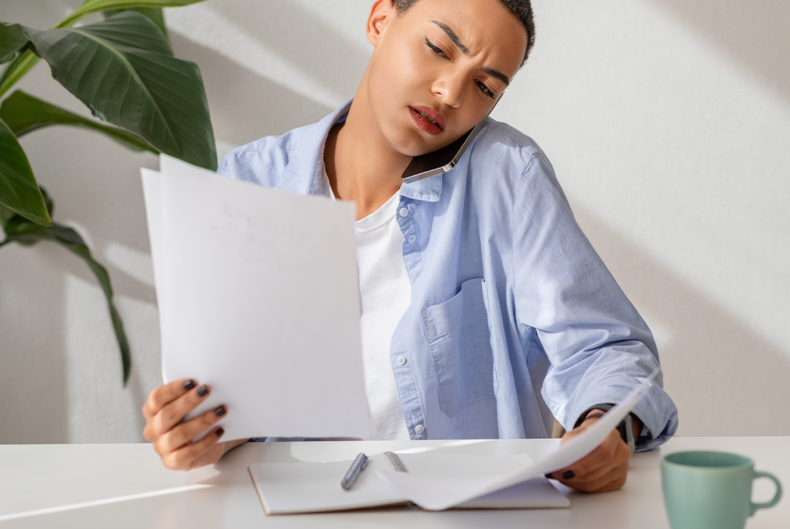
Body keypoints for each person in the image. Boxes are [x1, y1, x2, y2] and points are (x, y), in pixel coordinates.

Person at [141, 0, 679, 493]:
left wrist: (604, 426)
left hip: (468, 511)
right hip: (292, 503)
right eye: (438, 48)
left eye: (485, 87)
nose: (451, 93)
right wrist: (198, 432)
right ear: (380, 20)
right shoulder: (251, 181)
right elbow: (231, 399)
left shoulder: (507, 176)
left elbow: (605, 348)